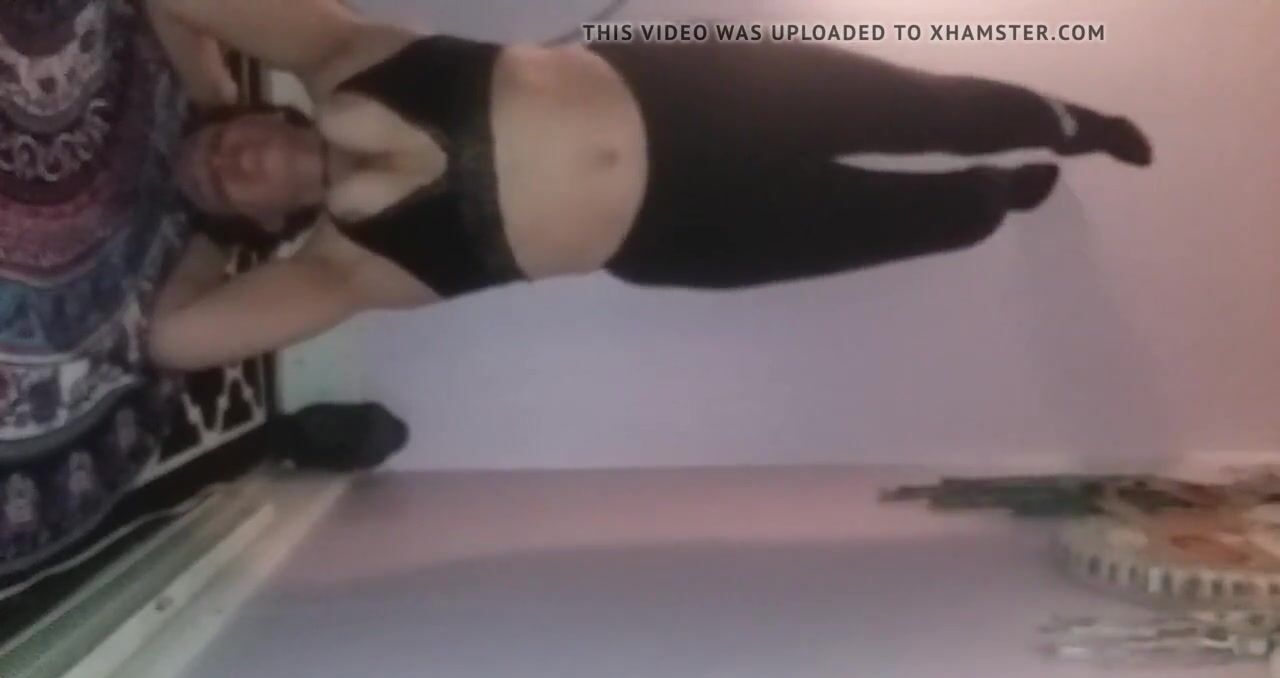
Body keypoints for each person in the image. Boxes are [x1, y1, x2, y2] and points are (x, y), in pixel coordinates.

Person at [145, 0, 1153, 371]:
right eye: (221, 188)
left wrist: (202, 89)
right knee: (899, 224)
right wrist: (215, 243)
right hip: (682, 233)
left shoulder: (337, 52)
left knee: (913, 103)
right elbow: (176, 339)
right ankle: (992, 197)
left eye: (219, 142)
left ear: (261, 107)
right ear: (265, 221)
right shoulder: (346, 270)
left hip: (690, 93)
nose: (223, 161)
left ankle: (1070, 123)